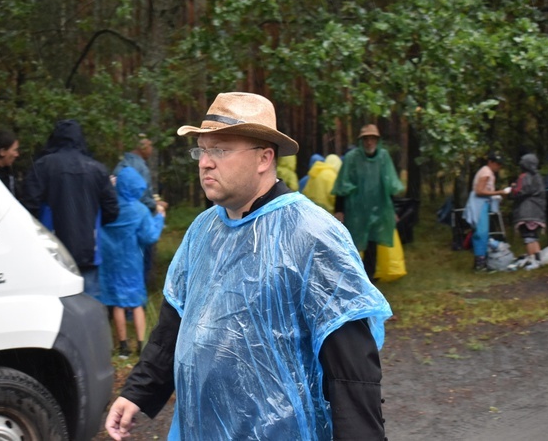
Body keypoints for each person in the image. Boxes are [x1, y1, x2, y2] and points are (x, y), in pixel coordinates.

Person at [105, 92, 392, 440]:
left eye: (220, 150)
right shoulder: (203, 231)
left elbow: (352, 367)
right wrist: (137, 391)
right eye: (202, 150)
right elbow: (174, 326)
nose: (205, 162)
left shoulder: (311, 235)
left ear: (264, 157)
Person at [23, 119, 119, 297]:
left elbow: (29, 209)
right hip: (89, 249)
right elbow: (112, 211)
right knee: (89, 302)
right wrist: (91, 223)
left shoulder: (43, 166)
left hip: (52, 250)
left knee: (55, 304)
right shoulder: (96, 169)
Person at [98, 167, 166, 358]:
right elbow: (149, 236)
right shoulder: (140, 210)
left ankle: (123, 347)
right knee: (136, 303)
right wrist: (160, 217)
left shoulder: (108, 206)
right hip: (131, 261)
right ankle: (141, 344)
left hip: (111, 261)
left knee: (117, 302)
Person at [332, 125, 405, 281]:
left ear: (377, 141)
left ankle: (369, 276)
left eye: (372, 139)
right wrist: (339, 209)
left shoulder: (384, 157)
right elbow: (343, 185)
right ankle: (351, 275)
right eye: (366, 139)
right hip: (355, 208)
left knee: (373, 240)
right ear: (361, 141)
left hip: (378, 206)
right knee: (352, 241)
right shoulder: (352, 158)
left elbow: (389, 184)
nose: (369, 142)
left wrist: (393, 210)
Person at [113, 135, 169, 288]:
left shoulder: (121, 165)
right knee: (141, 260)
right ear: (142, 147)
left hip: (119, 224)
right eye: (150, 146)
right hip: (138, 225)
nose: (151, 150)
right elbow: (141, 196)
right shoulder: (140, 167)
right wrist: (157, 205)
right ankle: (140, 293)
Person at [463, 151, 509, 272]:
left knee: (483, 232)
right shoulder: (486, 173)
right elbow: (479, 191)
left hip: (484, 203)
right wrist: (498, 192)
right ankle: (480, 265)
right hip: (478, 204)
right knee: (481, 233)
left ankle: (482, 261)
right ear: (490, 162)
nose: (498, 166)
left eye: (500, 164)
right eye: (496, 163)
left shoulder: (488, 172)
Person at [508, 153, 546, 270]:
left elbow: (518, 192)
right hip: (538, 211)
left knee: (528, 237)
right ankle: (538, 261)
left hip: (526, 211)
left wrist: (512, 189)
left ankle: (532, 261)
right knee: (534, 236)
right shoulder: (538, 177)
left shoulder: (524, 177)